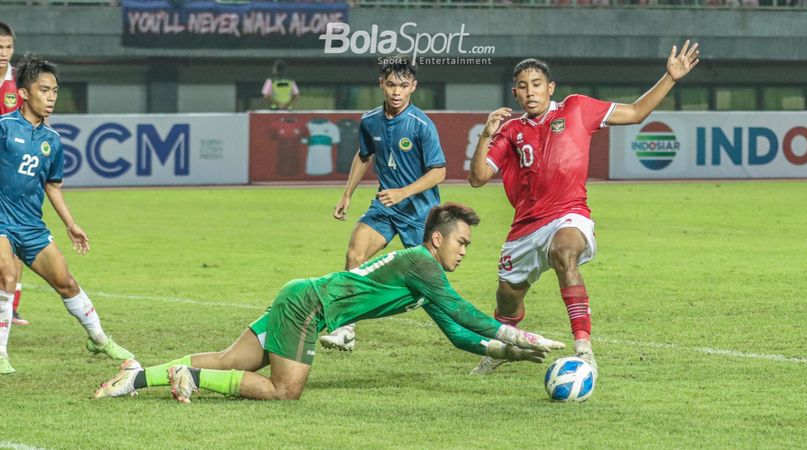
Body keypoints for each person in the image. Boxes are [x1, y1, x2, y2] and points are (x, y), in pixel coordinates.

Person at [93, 203, 564, 402]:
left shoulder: (424, 273)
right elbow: (466, 313)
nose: (464, 250)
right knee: (284, 391)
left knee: (229, 360)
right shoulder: (423, 263)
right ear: (437, 239)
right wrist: (519, 333)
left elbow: (457, 332)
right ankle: (188, 377)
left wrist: (511, 353)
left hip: (299, 294)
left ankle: (135, 378)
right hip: (308, 308)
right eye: (461, 242)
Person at [467, 40, 701, 375]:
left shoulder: (577, 108)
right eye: (522, 86)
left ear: (551, 88)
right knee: (507, 298)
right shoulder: (510, 131)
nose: (530, 92)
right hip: (525, 228)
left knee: (565, 253)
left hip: (569, 212)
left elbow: (635, 113)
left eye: (537, 85)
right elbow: (477, 178)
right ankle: (505, 347)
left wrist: (670, 77)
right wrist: (486, 136)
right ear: (515, 93)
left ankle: (583, 347)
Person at [0, 57, 134, 375]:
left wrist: (70, 224)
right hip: (2, 221)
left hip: (31, 226)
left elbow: (52, 186)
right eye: (43, 90)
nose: (51, 98)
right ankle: (1, 352)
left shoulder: (53, 142)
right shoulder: (4, 129)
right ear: (23, 94)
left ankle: (99, 339)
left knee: (67, 284)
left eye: (55, 91)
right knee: (7, 275)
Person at [321, 55, 446, 351]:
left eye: (403, 85)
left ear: (413, 86)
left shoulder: (421, 125)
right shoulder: (369, 120)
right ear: (381, 84)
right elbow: (364, 156)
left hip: (420, 214)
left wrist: (403, 192)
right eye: (391, 85)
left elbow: (439, 171)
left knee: (431, 286)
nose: (396, 92)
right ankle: (346, 329)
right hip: (385, 208)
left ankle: (470, 332)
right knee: (355, 255)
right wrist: (347, 194)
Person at [0, 22, 29, 327]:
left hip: (13, 174)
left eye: (8, 47)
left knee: (16, 240)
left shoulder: (20, 80)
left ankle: (12, 306)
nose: (4, 53)